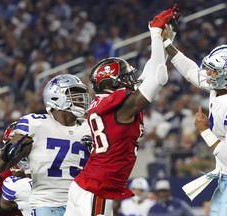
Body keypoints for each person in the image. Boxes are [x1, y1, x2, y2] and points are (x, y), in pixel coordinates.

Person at [64, 7, 176, 216]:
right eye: (126, 77)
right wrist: (154, 33)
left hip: (88, 183)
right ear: (113, 82)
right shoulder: (122, 105)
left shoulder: (108, 103)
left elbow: (152, 70)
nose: (132, 80)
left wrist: (164, 41)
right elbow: (159, 77)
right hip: (97, 188)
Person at [163, 13, 227, 216]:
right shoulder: (226, 85)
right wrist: (166, 43)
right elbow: (192, 72)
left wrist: (204, 131)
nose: (208, 74)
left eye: (214, 71)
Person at [0, 74, 92, 216]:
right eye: (74, 93)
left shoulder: (90, 127)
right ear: (56, 97)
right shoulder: (35, 123)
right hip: (48, 204)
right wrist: (7, 153)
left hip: (82, 203)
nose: (81, 99)